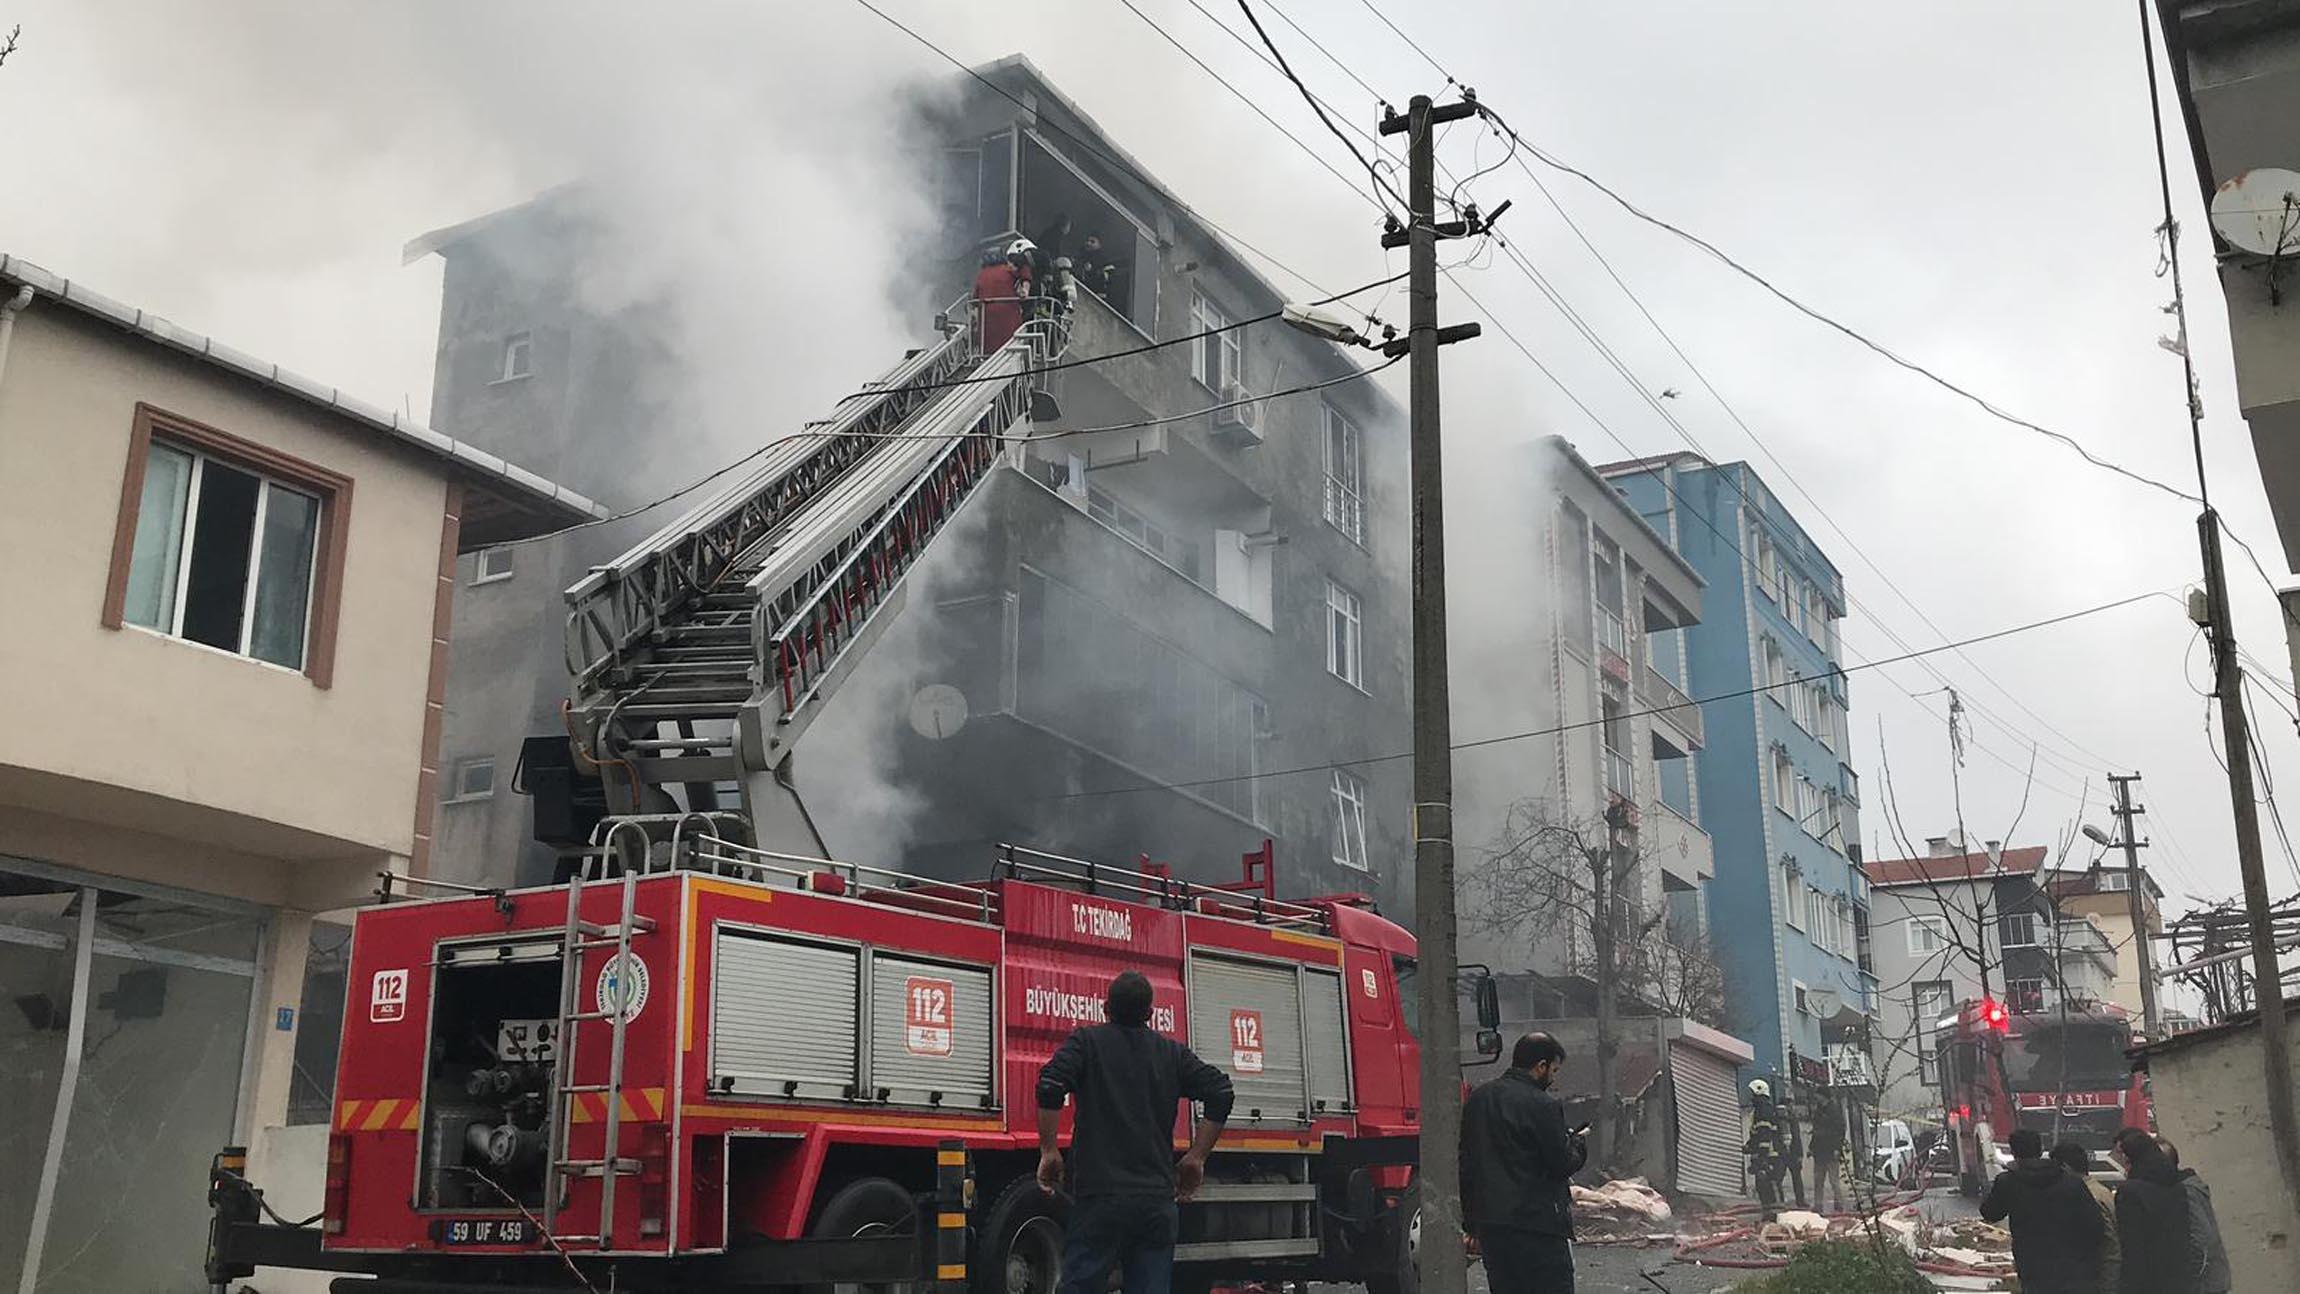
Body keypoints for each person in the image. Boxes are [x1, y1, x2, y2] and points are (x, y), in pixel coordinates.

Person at [1036, 971, 1233, 1294]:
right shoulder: (1171, 1054)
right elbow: (1221, 1093)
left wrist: (1049, 1149)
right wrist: (1197, 1157)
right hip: (1155, 1200)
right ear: (1150, 1014)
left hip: (1099, 1196)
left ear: (1105, 1008)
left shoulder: (1086, 1043)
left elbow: (1050, 1085)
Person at [1461, 1032, 1588, 1294]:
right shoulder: (1543, 1105)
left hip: (1493, 1227)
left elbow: (1467, 1166)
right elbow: (1560, 1164)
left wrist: (1471, 1223)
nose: (1553, 1078)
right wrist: (1578, 1145)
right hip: (1538, 1227)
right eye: (1553, 1070)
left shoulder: (1478, 1099)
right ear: (1541, 1066)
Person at [1978, 1127, 2104, 1294]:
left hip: (2032, 1265)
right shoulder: (2071, 1182)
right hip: (2074, 1267)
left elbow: (1990, 1213)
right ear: (2041, 1149)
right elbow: (2095, 1226)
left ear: (2013, 1152)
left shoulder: (2008, 1182)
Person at [2109, 1127, 2195, 1294]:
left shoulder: (2130, 1193)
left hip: (2147, 1283)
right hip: (2179, 1280)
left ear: (2129, 1158)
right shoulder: (2177, 1187)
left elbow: (2133, 1249)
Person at [2156, 1136, 2233, 1294]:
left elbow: (2202, 1238)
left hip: (2205, 1285)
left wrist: (2191, 1280)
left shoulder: (2186, 1191)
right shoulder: (2187, 1187)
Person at [2052, 1141, 2120, 1294]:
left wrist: (2108, 1286)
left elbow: (2109, 1245)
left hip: (2097, 1281)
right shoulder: (2102, 1190)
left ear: (2064, 1168)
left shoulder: (2087, 1197)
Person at [1745, 1080, 1788, 1219]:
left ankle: (1778, 1219)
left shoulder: (1763, 1110)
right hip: (1767, 1156)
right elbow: (1757, 1134)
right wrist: (1750, 1146)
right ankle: (1769, 1218)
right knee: (1764, 1188)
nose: (1750, 1096)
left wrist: (1762, 1158)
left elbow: (1764, 1134)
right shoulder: (1761, 1109)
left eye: (1752, 1092)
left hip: (1770, 1157)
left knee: (1770, 1186)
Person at [972, 247, 1028, 352]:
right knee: (1013, 344)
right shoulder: (1008, 270)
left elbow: (975, 298)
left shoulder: (981, 275)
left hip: (987, 323)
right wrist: (1025, 289)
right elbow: (1024, 272)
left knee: (989, 349)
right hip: (1009, 319)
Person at [1808, 1093, 1846, 1213]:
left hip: (1830, 1150)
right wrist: (1811, 1147)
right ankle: (1818, 1204)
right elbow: (1815, 1131)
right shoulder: (1818, 1111)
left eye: (1818, 1095)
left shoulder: (1834, 1111)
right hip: (1819, 1151)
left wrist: (1837, 1148)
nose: (1817, 1098)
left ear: (1823, 1096)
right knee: (1818, 1180)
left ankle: (1839, 1203)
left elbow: (1840, 1131)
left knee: (1833, 1180)